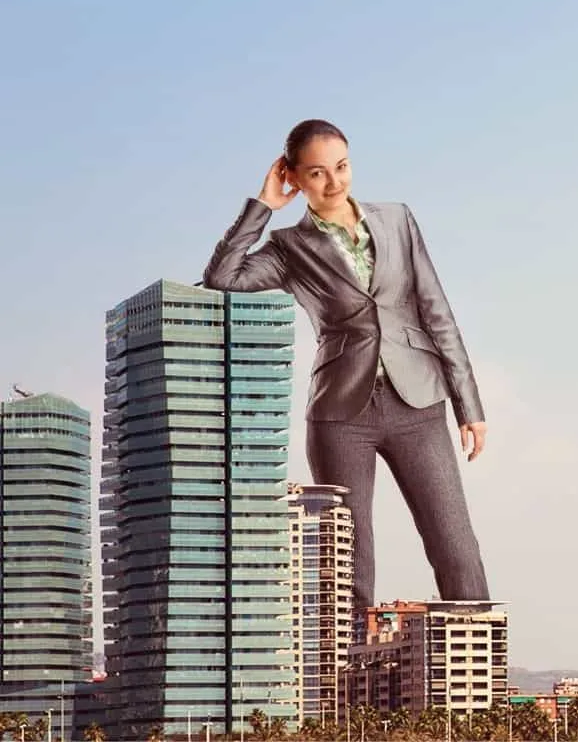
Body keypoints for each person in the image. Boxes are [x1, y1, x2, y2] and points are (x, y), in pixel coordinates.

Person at [202, 119, 490, 611]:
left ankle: (481, 679)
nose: (334, 182)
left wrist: (469, 404)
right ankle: (343, 683)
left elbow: (435, 308)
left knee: (455, 545)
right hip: (341, 415)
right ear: (293, 177)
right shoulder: (288, 249)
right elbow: (222, 277)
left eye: (341, 166)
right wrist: (263, 206)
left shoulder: (397, 218)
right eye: (316, 173)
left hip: (418, 401)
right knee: (349, 563)